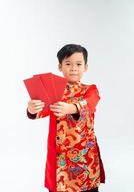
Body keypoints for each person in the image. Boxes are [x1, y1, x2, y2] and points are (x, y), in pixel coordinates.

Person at [27, 44, 105, 192]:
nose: (73, 68)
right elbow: (41, 112)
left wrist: (73, 108)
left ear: (85, 67)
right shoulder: (53, 90)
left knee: (87, 186)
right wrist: (32, 109)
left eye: (78, 64)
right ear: (60, 66)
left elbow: (91, 103)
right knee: (59, 186)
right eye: (68, 64)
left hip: (84, 155)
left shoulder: (90, 89)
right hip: (60, 156)